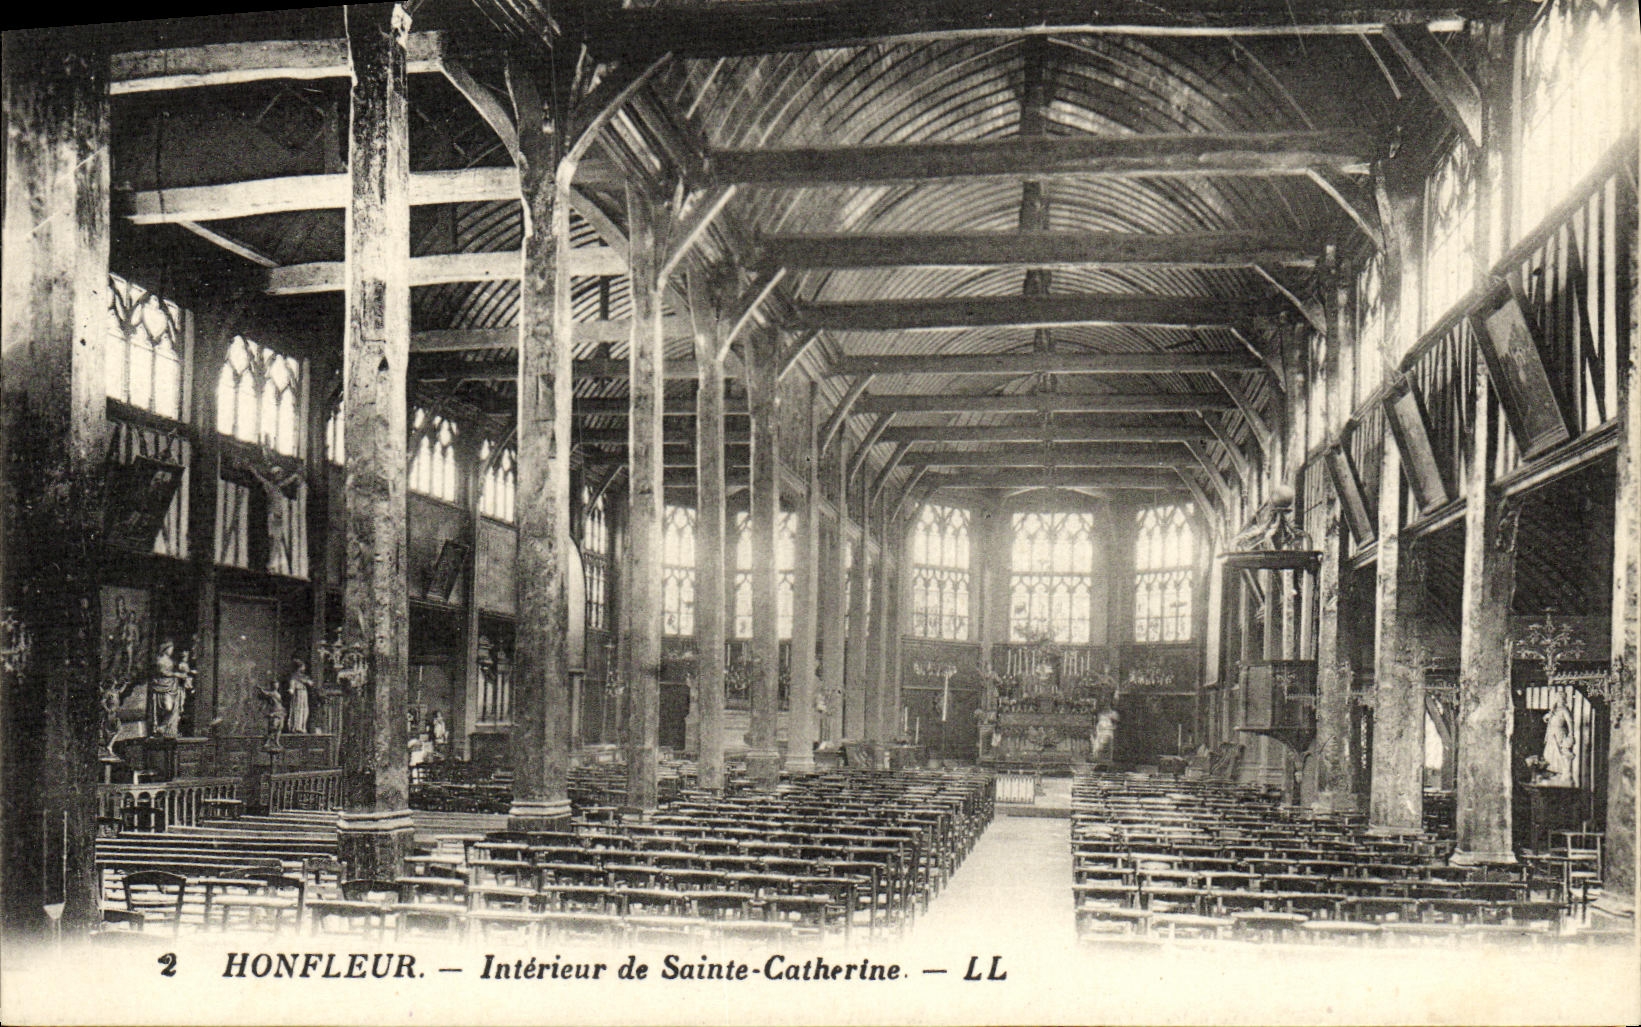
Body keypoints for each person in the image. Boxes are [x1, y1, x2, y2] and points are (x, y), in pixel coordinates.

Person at [1540, 693, 1576, 785]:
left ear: (1563, 699)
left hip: (1559, 732)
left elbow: (1570, 721)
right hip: (1551, 733)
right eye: (1557, 698)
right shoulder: (1554, 709)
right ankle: (1553, 772)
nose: (1558, 700)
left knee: (1559, 752)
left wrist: (1571, 733)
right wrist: (1546, 717)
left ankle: (1561, 773)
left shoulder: (1564, 710)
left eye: (1560, 698)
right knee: (1549, 753)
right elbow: (1547, 717)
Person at [285, 659, 313, 734]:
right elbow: (292, 685)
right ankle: (297, 727)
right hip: (298, 694)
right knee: (298, 709)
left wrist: (307, 681)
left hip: (304, 694)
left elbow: (310, 683)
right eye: (303, 666)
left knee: (305, 710)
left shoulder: (304, 677)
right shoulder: (294, 676)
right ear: (299, 667)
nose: (304, 668)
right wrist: (291, 690)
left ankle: (303, 727)